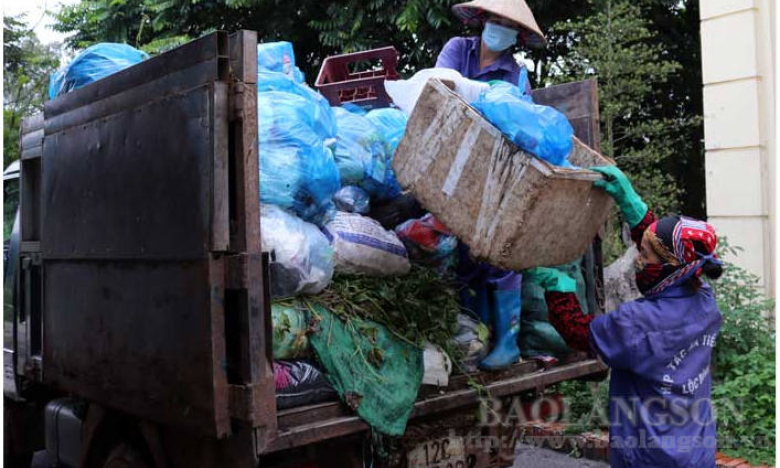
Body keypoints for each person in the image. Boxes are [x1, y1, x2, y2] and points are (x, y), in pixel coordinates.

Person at [525, 165, 723, 468]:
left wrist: (558, 288)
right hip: (696, 450)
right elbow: (668, 247)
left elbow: (578, 332)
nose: (638, 261)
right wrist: (632, 205)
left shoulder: (638, 324)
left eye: (644, 254)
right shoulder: (704, 301)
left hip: (650, 457)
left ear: (669, 266)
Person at [435, 0, 545, 370]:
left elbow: (522, 124)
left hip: (495, 169)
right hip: (454, 159)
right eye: (494, 21)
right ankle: (471, 336)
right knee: (461, 254)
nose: (499, 28)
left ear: (518, 36)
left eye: (508, 25)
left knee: (500, 251)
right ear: (481, 21)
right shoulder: (457, 50)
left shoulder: (515, 75)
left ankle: (508, 343)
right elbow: (441, 88)